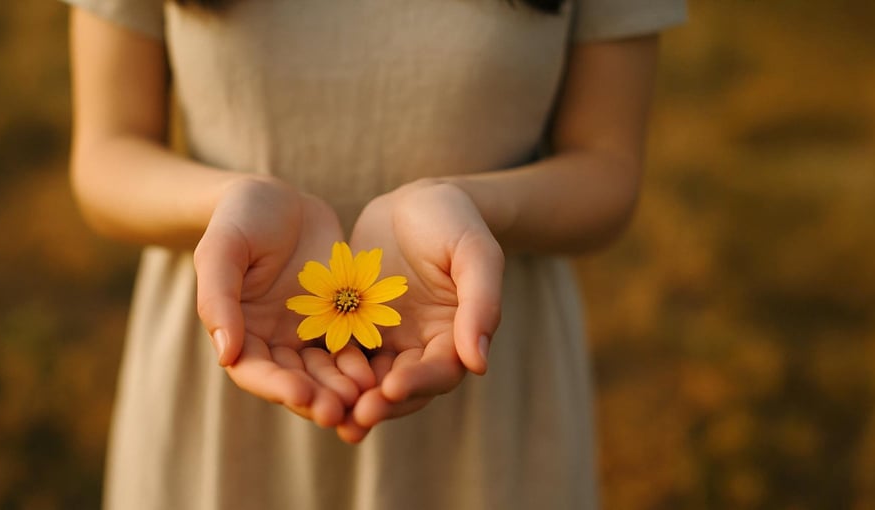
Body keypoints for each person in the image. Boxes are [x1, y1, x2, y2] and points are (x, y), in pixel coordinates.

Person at [63, 0, 683, 507]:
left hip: (475, 360)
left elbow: (610, 172)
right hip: (236, 340)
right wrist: (228, 203)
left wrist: (471, 206)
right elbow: (105, 154)